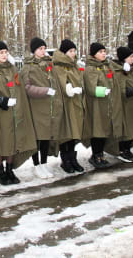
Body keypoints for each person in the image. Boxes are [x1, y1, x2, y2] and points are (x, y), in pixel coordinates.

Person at [0, 39, 36, 185]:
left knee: (13, 142)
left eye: (6, 52)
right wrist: (4, 101)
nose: (4, 55)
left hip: (14, 113)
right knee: (1, 143)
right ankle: (0, 172)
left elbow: (19, 88)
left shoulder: (12, 69)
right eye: (1, 52)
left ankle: (10, 170)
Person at [21, 37, 63, 178]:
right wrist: (45, 91)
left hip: (48, 107)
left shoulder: (48, 64)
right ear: (34, 51)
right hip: (35, 107)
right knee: (37, 138)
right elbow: (26, 87)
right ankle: (36, 165)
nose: (43, 51)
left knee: (45, 137)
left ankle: (44, 164)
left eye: (44, 48)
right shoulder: (28, 66)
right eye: (40, 49)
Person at [83, 43, 123, 169]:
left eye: (104, 51)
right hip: (97, 104)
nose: (103, 54)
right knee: (98, 130)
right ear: (94, 54)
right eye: (100, 52)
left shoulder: (106, 66)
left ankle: (101, 154)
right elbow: (90, 87)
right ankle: (95, 155)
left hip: (108, 103)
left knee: (105, 129)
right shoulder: (91, 68)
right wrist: (101, 91)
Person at [52, 39, 85, 173]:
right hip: (64, 103)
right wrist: (69, 88)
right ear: (64, 52)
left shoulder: (74, 65)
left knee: (73, 132)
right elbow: (60, 81)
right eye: (71, 51)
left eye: (74, 50)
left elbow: (79, 78)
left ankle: (73, 158)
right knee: (65, 132)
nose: (73, 53)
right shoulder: (58, 65)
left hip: (74, 102)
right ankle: (65, 160)